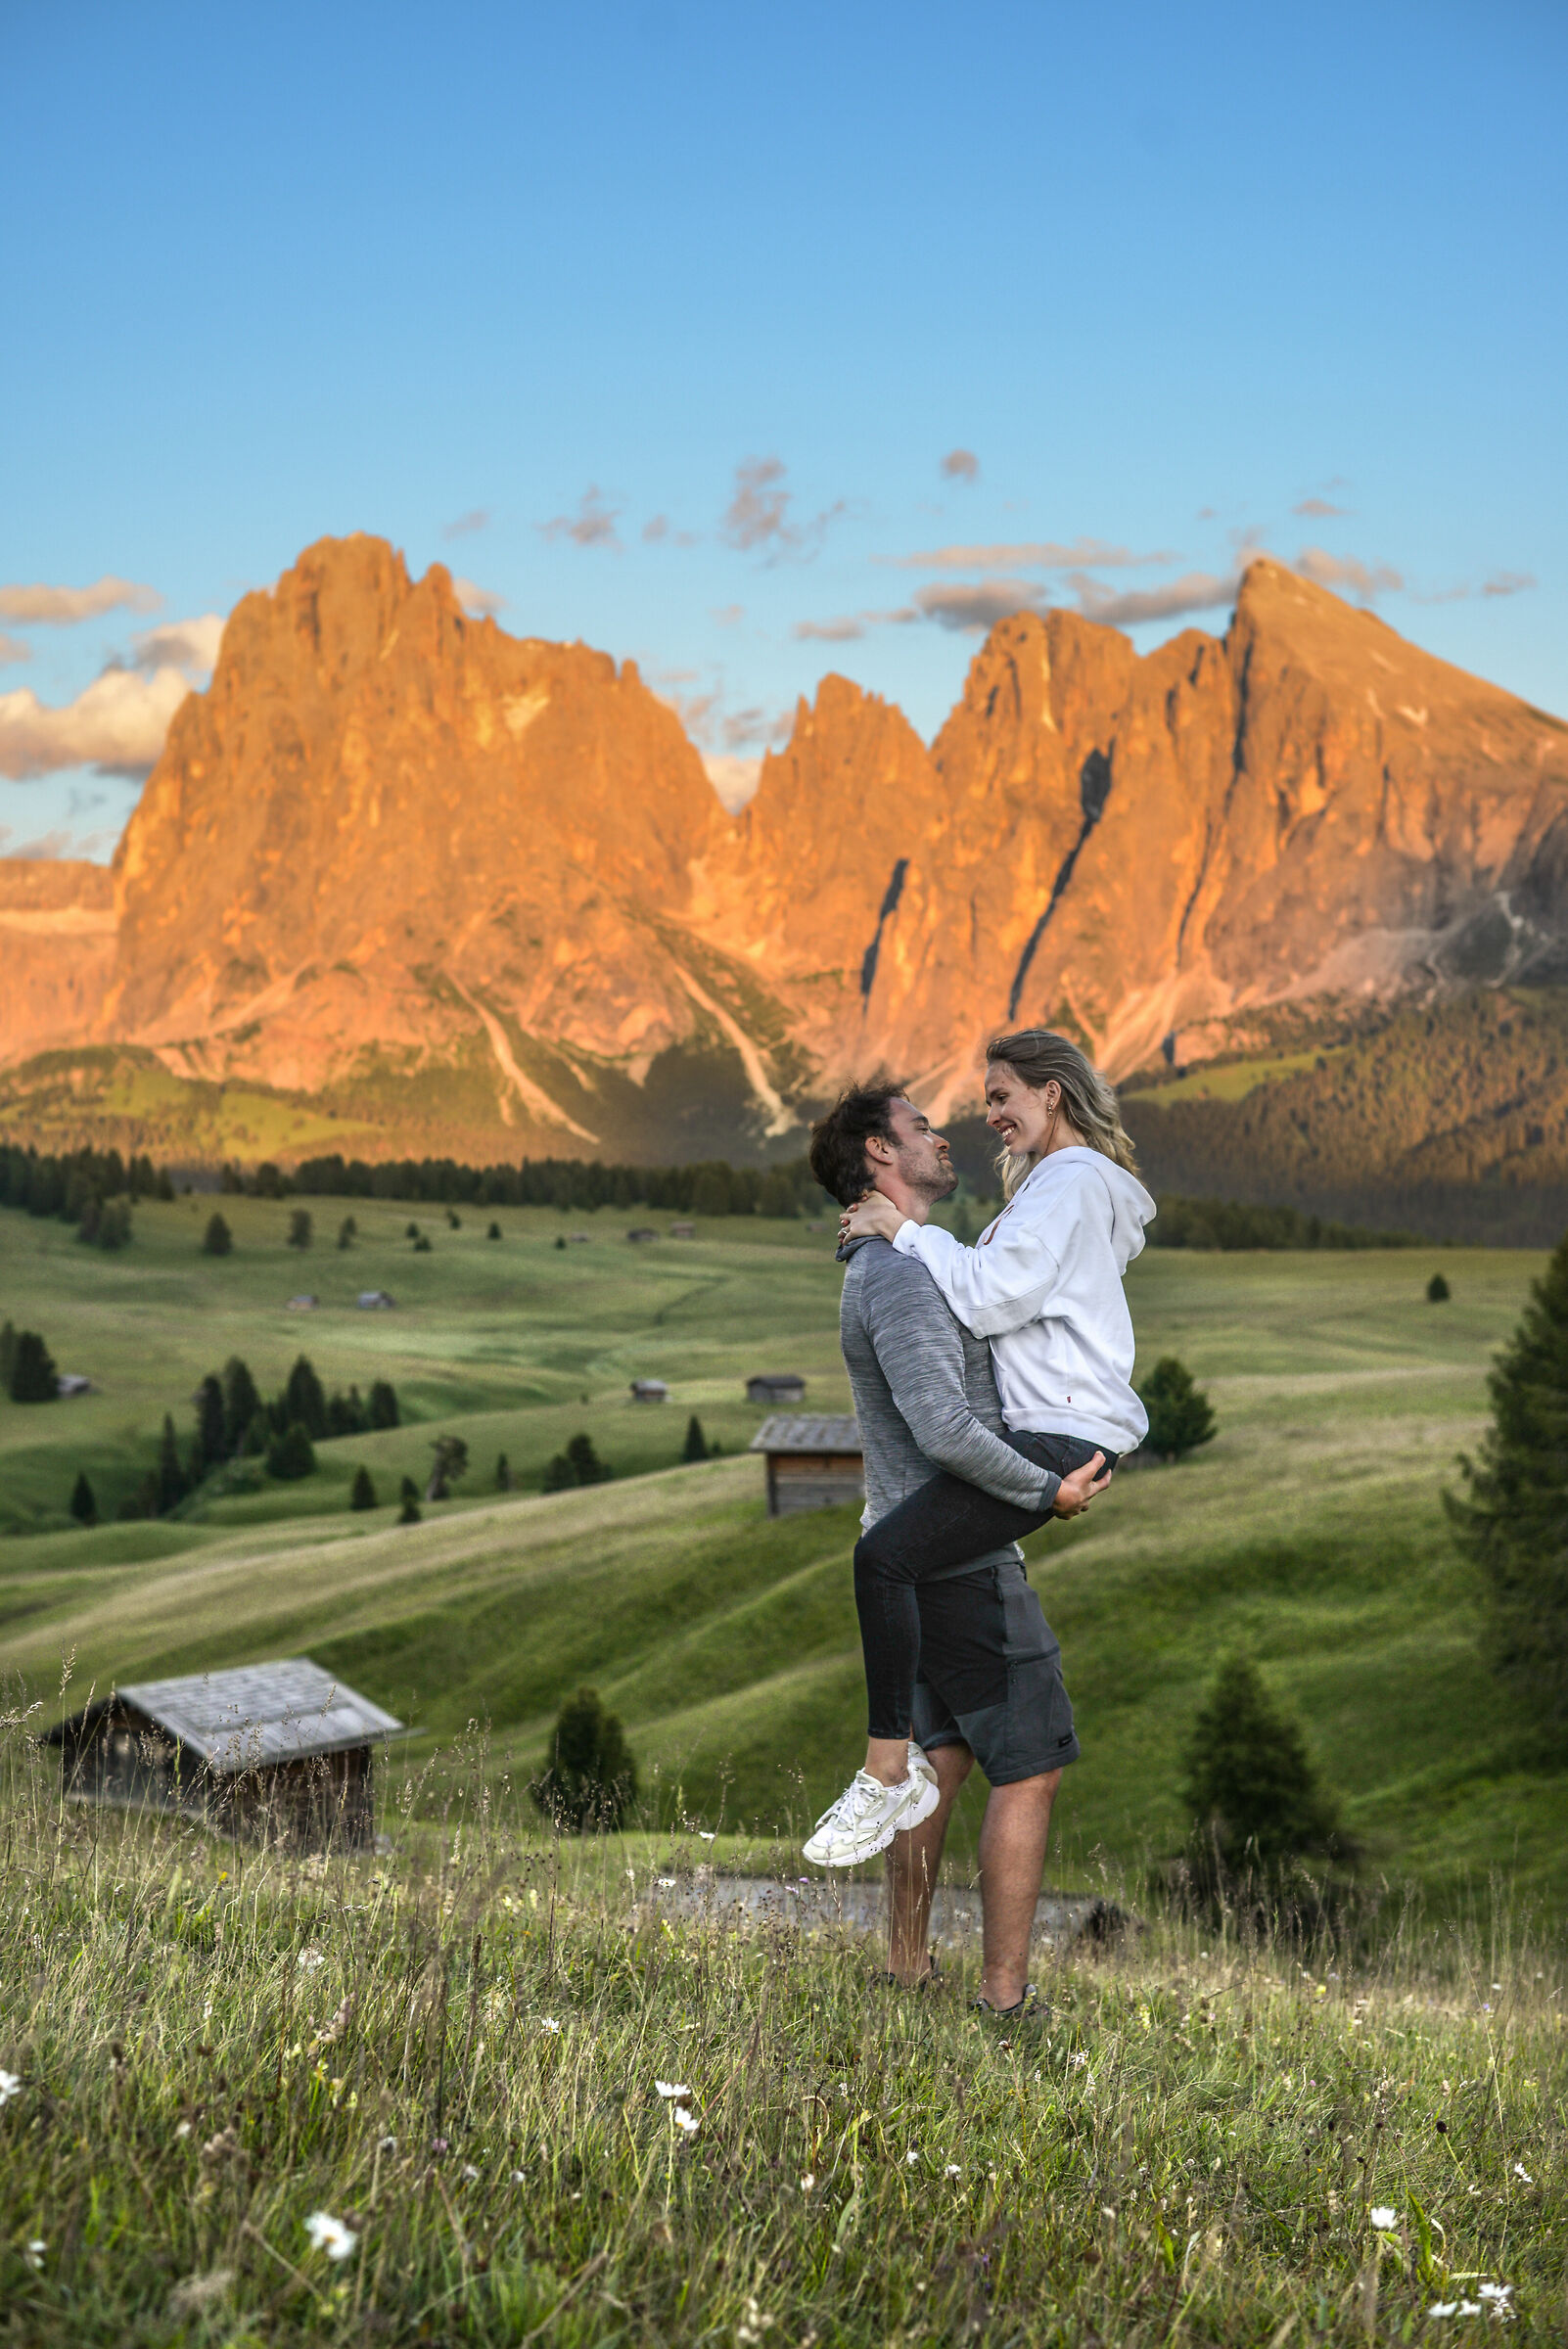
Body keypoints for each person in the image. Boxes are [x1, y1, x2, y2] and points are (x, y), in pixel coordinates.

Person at [801, 1082, 1103, 2016]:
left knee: (941, 1765)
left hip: (913, 1552)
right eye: (918, 1128)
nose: (940, 1136)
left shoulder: (896, 1256)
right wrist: (1041, 1490)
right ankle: (1006, 2004)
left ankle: (904, 1968)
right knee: (1031, 1767)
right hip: (959, 1559)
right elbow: (943, 1427)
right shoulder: (896, 1275)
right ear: (878, 1155)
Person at [828, 1029, 1155, 1841]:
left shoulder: (1070, 1182)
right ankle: (892, 1792)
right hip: (1053, 1435)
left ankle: (882, 1770)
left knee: (884, 1558)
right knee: (951, 1738)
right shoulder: (1058, 1186)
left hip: (1057, 1434)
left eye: (1001, 1097)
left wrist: (901, 1230)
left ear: (1052, 1092)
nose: (989, 1118)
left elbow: (989, 1297)